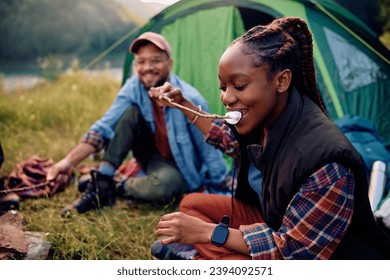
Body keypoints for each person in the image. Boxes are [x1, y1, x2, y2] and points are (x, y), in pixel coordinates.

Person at [151, 17, 390, 259]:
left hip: (319, 258)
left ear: (281, 81)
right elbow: (227, 139)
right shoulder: (266, 116)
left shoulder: (327, 162)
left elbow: (295, 253)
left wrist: (212, 233)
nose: (226, 98)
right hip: (273, 221)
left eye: (240, 85)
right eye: (223, 87)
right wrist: (182, 103)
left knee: (206, 231)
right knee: (192, 205)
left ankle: (204, 262)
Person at [46, 32, 228, 215]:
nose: (147, 68)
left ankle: (115, 184)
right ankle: (102, 181)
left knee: (168, 185)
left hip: (180, 167)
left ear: (169, 64)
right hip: (150, 156)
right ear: (135, 66)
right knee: (129, 113)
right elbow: (105, 126)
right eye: (141, 62)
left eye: (155, 60)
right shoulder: (134, 87)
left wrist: (220, 182)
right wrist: (68, 162)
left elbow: (208, 146)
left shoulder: (189, 99)